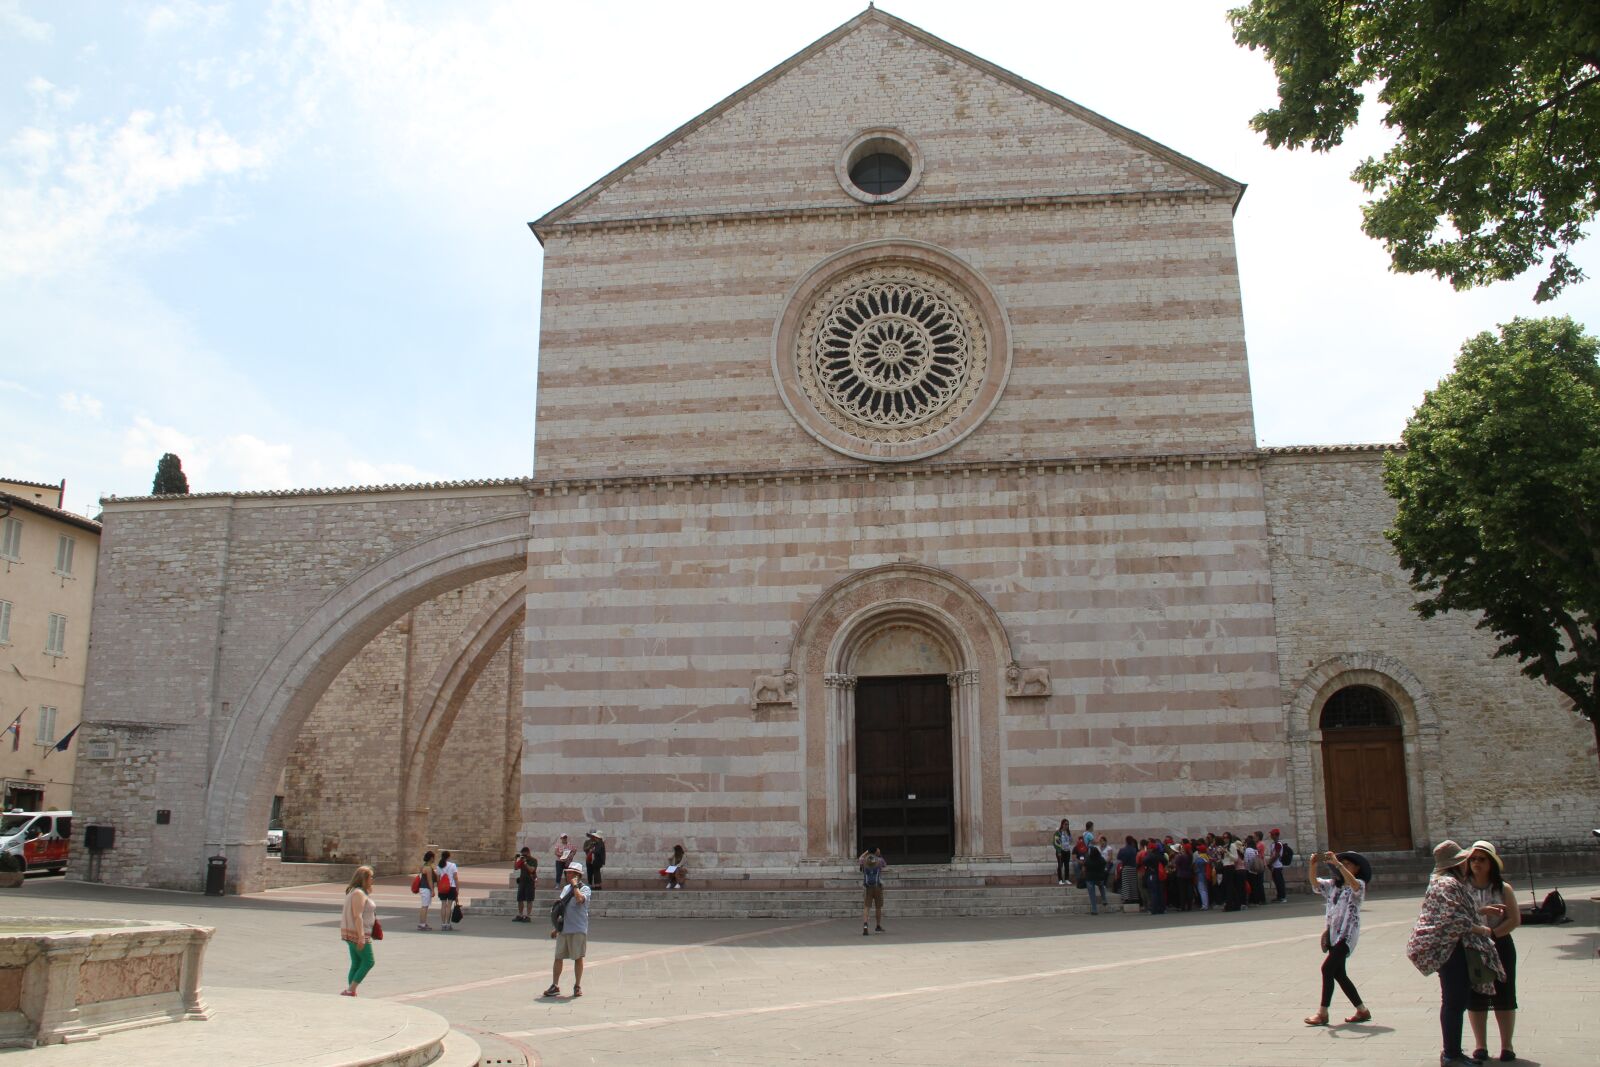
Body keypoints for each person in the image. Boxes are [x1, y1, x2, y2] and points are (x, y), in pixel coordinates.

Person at [1406, 839, 1504, 1067]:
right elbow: (1454, 918)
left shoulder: (1440, 882)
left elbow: (1451, 911)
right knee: (1454, 1001)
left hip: (1447, 946)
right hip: (1452, 947)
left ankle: (1453, 1052)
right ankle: (1451, 1054)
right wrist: (1484, 929)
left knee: (1454, 1001)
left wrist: (1478, 911)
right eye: (1466, 860)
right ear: (1457, 863)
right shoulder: (1449, 884)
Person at [1464, 841, 1520, 1063]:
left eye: (1482, 859)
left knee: (1504, 994)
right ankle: (1480, 1045)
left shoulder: (1503, 888)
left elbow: (1514, 919)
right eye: (1473, 859)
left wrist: (1493, 934)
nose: (1476, 863)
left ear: (1491, 864)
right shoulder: (1462, 887)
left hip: (1500, 943)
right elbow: (1457, 915)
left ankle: (1507, 1045)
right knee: (1476, 995)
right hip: (1472, 946)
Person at [1303, 851, 1370, 1026]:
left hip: (1347, 936)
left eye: (1349, 864)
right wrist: (1313, 865)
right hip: (1334, 934)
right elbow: (1315, 884)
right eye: (1343, 863)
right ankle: (1362, 1010)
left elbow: (1354, 885)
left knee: (1327, 969)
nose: (1344, 866)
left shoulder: (1359, 885)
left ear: (1357, 868)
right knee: (1339, 974)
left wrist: (1338, 864)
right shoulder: (1334, 885)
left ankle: (1322, 1013)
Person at [544, 861, 591, 998]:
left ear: (577, 875)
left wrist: (575, 885)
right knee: (558, 957)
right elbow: (561, 908)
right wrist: (556, 928)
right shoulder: (565, 889)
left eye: (570, 872)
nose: (567, 874)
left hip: (578, 928)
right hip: (564, 928)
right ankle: (555, 985)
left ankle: (577, 985)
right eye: (567, 872)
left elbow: (579, 900)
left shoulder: (585, 889)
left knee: (578, 958)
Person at [340, 865, 377, 996]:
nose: (373, 879)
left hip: (352, 932)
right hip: (358, 933)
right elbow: (358, 915)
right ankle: (350, 990)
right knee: (369, 961)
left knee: (356, 962)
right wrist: (361, 936)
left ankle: (351, 990)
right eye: (371, 877)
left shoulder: (356, 892)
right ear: (364, 878)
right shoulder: (358, 893)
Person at [859, 845, 887, 934]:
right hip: (877, 886)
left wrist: (867, 852)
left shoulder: (864, 860)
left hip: (867, 887)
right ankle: (878, 926)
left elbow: (860, 858)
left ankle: (865, 924)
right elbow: (885, 865)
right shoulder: (880, 860)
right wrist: (878, 854)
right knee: (878, 907)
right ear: (876, 852)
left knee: (867, 907)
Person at [1082, 837, 1108, 914]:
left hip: (1090, 879)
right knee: (1101, 886)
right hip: (1099, 877)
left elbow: (1084, 868)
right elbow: (1104, 865)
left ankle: (1094, 910)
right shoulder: (1101, 859)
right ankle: (1104, 899)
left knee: (1092, 895)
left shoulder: (1088, 860)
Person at [512, 847, 538, 922]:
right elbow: (516, 867)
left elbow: (532, 870)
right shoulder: (521, 860)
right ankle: (520, 915)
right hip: (522, 881)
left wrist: (525, 863)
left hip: (530, 882)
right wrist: (515, 859)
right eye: (523, 855)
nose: (524, 856)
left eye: (525, 855)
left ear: (528, 853)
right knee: (520, 899)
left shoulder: (533, 860)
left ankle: (528, 916)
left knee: (529, 899)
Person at [437, 849, 459, 931]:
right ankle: (448, 924)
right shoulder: (453, 865)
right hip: (451, 887)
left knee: (443, 905)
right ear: (449, 856)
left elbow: (438, 879)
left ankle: (443, 924)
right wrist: (457, 888)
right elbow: (455, 877)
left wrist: (439, 887)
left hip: (442, 887)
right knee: (449, 906)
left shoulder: (439, 866)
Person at [416, 850, 438, 931]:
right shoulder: (428, 868)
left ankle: (422, 923)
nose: (434, 859)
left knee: (424, 906)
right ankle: (422, 924)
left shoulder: (423, 866)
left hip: (423, 887)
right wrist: (432, 890)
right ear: (431, 858)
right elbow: (429, 880)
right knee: (425, 906)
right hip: (426, 888)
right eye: (434, 857)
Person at [1116, 835, 1139, 906]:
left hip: (1126, 868)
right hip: (1133, 868)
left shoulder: (1122, 850)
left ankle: (1126, 898)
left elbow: (1118, 857)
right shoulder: (1134, 850)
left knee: (1126, 884)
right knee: (1133, 884)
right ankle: (1134, 898)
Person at [1268, 828, 1290, 902]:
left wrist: (1270, 862)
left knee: (1279, 882)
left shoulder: (1278, 844)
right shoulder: (1273, 844)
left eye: (1272, 834)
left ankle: (1282, 897)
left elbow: (1276, 855)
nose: (1271, 836)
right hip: (1274, 866)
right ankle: (1279, 896)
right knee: (1277, 882)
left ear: (1276, 835)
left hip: (1277, 865)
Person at [1052, 818, 1073, 885]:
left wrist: (1070, 839)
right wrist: (1058, 851)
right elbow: (1056, 842)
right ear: (1062, 824)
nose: (1067, 826)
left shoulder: (1068, 832)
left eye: (1068, 824)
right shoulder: (1058, 832)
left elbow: (1070, 840)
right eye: (1065, 824)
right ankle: (1060, 879)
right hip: (1061, 851)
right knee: (1060, 865)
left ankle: (1066, 879)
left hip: (1067, 850)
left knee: (1067, 865)